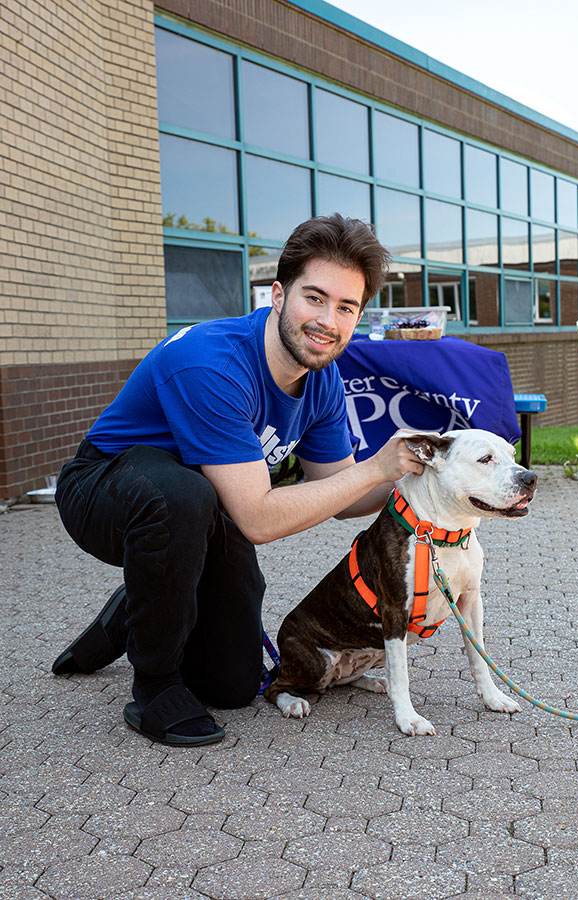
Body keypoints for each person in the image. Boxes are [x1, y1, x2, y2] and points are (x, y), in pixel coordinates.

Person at [52, 214, 424, 746]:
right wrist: (378, 465)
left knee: (232, 684)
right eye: (314, 298)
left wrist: (429, 475)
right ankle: (154, 686)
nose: (327, 320)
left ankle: (134, 607)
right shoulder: (212, 362)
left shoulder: (320, 379)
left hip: (200, 513)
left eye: (346, 307)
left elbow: (344, 492)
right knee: (184, 495)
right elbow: (256, 518)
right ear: (277, 294)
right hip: (104, 488)